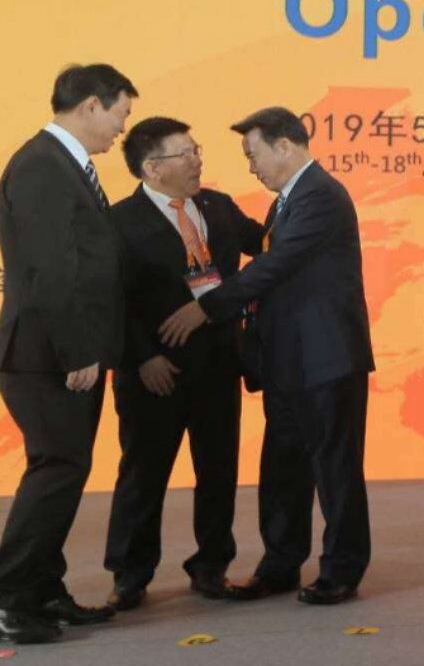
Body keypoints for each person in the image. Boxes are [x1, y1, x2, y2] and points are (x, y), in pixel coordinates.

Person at [160, 107, 375, 605]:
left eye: (254, 155)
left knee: (335, 468)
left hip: (326, 358)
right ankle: (280, 565)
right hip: (288, 361)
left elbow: (274, 264)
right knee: (283, 469)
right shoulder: (287, 201)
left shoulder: (321, 196)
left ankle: (341, 570)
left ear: (284, 146)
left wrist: (206, 308)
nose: (251, 167)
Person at [0, 63, 136, 644]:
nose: (121, 129)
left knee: (66, 468)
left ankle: (43, 590)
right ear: (90, 105)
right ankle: (10, 596)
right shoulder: (41, 166)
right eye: (120, 115)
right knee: (57, 468)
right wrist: (78, 349)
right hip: (47, 352)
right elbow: (50, 270)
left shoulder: (64, 165)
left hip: (66, 350)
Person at [104, 118, 264, 609]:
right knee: (143, 473)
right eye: (186, 153)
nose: (198, 160)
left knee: (218, 468)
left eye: (197, 150)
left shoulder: (218, 206)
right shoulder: (119, 221)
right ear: (152, 168)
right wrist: (143, 357)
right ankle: (130, 574)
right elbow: (113, 300)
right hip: (155, 372)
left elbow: (267, 245)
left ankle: (211, 565)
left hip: (218, 362)